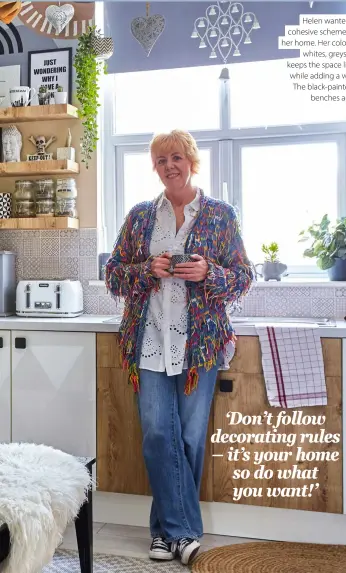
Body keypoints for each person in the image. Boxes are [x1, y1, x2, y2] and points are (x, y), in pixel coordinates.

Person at [105, 129, 254, 565]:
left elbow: (245, 276)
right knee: (157, 434)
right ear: (155, 167)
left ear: (191, 160)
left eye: (176, 157)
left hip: (198, 346)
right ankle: (184, 534)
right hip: (149, 339)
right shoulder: (139, 217)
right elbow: (113, 274)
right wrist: (146, 270)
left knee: (187, 439)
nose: (169, 166)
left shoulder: (221, 215)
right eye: (161, 160)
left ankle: (161, 533)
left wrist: (209, 272)